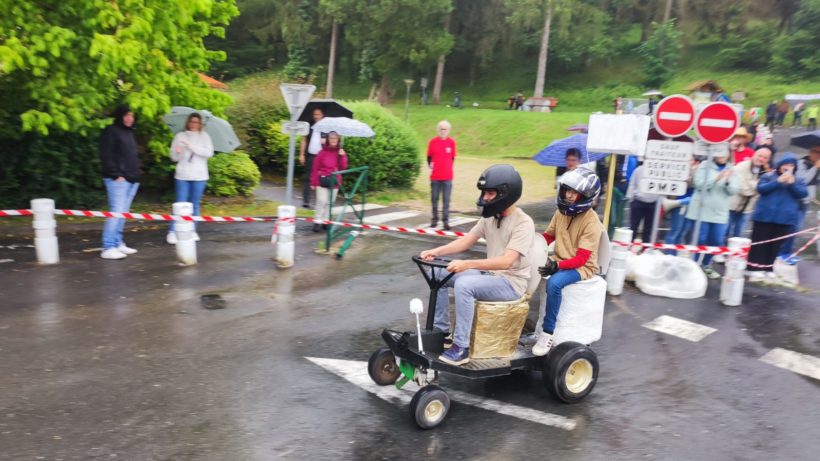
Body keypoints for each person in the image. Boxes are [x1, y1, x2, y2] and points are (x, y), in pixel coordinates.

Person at [420, 165, 534, 366]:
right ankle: (441, 332)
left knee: (465, 285)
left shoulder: (523, 223)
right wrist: (436, 252)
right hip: (491, 278)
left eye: (490, 193)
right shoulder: (489, 217)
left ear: (506, 193)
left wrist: (468, 264)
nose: (485, 197)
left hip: (511, 284)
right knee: (437, 274)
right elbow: (466, 241)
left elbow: (507, 261)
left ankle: (461, 347)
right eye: (484, 192)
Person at [532, 168, 602, 356]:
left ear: (586, 195)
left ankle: (547, 333)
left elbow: (582, 259)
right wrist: (531, 244)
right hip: (561, 259)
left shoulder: (591, 222)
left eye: (574, 192)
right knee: (530, 269)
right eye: (567, 191)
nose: (569, 196)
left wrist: (556, 266)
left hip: (583, 267)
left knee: (554, 283)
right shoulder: (560, 212)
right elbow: (548, 236)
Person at [747, 154, 808, 282]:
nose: (788, 168)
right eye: (785, 164)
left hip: (784, 218)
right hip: (764, 216)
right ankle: (754, 268)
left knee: (776, 245)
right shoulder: (768, 176)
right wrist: (778, 182)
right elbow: (761, 189)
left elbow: (803, 194)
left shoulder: (798, 180)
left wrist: (792, 184)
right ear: (779, 165)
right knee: (759, 243)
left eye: (791, 165)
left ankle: (769, 268)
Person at [685, 150, 738, 279]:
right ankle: (694, 265)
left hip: (720, 212)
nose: (722, 156)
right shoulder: (704, 165)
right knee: (700, 239)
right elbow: (699, 184)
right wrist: (717, 178)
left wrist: (727, 181)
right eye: (720, 153)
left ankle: (706, 264)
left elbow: (734, 191)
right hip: (702, 210)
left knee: (716, 241)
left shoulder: (732, 169)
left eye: (724, 153)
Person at [99, 104, 141, 260]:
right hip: (118, 179)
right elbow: (106, 155)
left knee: (123, 213)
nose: (130, 118)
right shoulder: (111, 131)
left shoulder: (129, 132)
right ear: (120, 116)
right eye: (126, 115)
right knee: (116, 212)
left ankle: (117, 243)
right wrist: (116, 175)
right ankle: (108, 246)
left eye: (132, 115)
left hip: (132, 179)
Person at [166, 113, 214, 245]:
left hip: (199, 175)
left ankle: (192, 230)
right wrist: (179, 150)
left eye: (197, 122)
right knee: (180, 204)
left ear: (200, 124)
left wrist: (192, 146)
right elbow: (173, 157)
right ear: (188, 122)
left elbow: (208, 153)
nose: (194, 124)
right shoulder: (180, 136)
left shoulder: (204, 137)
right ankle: (172, 231)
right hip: (182, 175)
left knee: (195, 204)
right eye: (192, 121)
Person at [778, 146, 820, 262]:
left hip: (806, 201)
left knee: (796, 229)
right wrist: (815, 168)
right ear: (810, 152)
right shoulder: (802, 163)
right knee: (790, 228)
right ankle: (782, 253)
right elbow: (803, 180)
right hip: (796, 200)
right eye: (816, 152)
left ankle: (787, 253)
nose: (818, 155)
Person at [725, 147, 772, 241]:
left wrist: (753, 186)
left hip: (747, 208)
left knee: (738, 236)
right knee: (725, 233)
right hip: (731, 205)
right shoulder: (741, 166)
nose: (761, 159)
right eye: (760, 156)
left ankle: (734, 255)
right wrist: (756, 186)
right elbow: (743, 189)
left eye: (765, 158)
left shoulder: (766, 172)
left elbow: (764, 190)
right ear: (754, 155)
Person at [310, 131, 348, 232]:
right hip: (322, 179)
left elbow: (343, 167)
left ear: (338, 140)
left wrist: (342, 156)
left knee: (330, 203)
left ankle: (326, 221)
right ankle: (317, 221)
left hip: (334, 180)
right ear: (328, 140)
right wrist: (313, 182)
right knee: (321, 201)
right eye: (331, 138)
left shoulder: (340, 152)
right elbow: (315, 168)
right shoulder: (322, 152)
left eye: (335, 138)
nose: (333, 140)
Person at [427, 120, 457, 229]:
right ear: (438, 130)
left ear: (448, 130)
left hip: (447, 178)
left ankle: (446, 221)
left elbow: (452, 158)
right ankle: (434, 220)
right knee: (434, 199)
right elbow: (429, 158)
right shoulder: (433, 142)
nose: (443, 131)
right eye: (441, 129)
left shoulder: (451, 143)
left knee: (446, 200)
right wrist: (432, 166)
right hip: (435, 177)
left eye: (445, 129)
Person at [299, 107, 326, 209]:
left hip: (322, 158)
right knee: (307, 178)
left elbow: (333, 141)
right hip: (310, 156)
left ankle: (318, 202)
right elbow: (304, 140)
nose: (316, 116)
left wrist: (325, 141)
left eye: (318, 114)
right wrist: (302, 154)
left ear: (322, 115)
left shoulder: (326, 127)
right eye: (315, 114)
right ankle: (306, 201)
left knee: (320, 180)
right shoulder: (309, 125)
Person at [625, 162, 659, 244]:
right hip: (638, 201)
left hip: (653, 203)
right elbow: (632, 184)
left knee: (648, 229)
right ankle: (630, 246)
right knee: (633, 227)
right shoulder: (638, 170)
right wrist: (631, 199)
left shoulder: (658, 171)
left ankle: (645, 248)